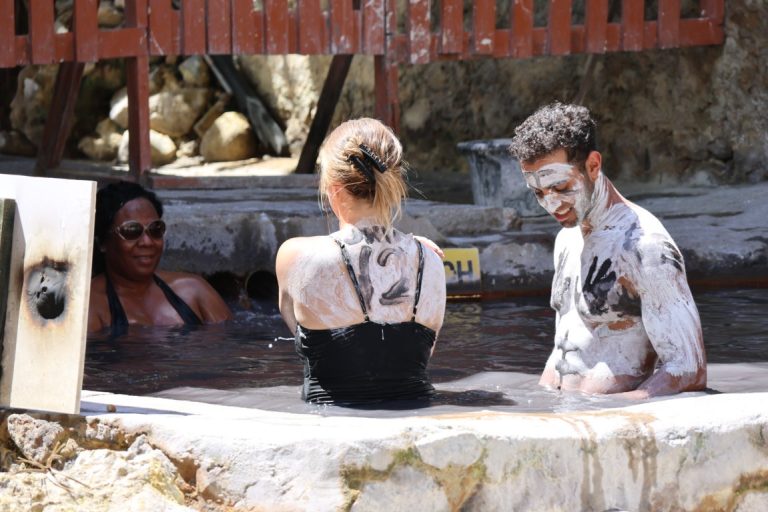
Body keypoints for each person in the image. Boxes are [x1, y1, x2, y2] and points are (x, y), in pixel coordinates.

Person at [509, 102, 706, 398]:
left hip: (609, 426)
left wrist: (611, 415)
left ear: (593, 166)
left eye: (561, 188)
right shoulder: (566, 238)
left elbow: (688, 368)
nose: (551, 205)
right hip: (561, 415)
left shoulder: (644, 246)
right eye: (539, 193)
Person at [276, 118, 447, 404]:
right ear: (393, 181)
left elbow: (296, 327)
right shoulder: (430, 259)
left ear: (333, 189)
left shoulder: (295, 256)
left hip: (331, 426)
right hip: (416, 413)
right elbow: (422, 353)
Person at [88, 181, 232, 335]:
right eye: (131, 230)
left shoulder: (194, 291)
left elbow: (231, 347)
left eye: (155, 229)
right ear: (102, 242)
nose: (147, 242)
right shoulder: (90, 306)